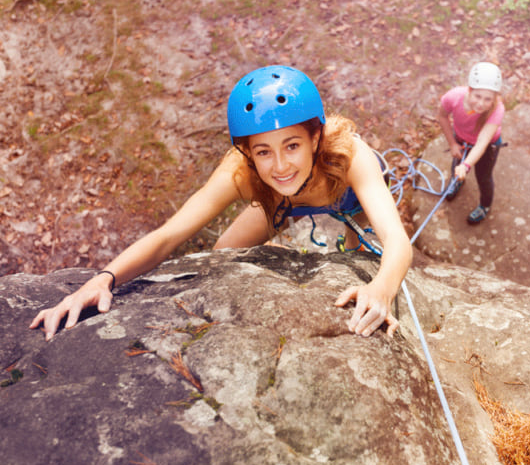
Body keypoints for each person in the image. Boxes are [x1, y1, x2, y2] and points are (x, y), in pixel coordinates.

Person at [30, 65, 412, 341]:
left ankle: (349, 241)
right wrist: (101, 280)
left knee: (361, 252)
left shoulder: (349, 155)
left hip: (343, 196)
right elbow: (169, 236)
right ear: (246, 152)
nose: (280, 165)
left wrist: (381, 288)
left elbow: (398, 244)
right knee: (221, 255)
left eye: (292, 145)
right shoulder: (242, 172)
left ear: (315, 138)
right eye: (263, 151)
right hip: (282, 203)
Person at [436, 62, 505, 224]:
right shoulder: (453, 97)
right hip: (460, 139)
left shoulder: (497, 109)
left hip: (488, 146)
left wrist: (466, 165)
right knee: (456, 165)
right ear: (469, 90)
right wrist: (452, 143)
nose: (481, 103)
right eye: (477, 96)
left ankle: (485, 206)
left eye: (488, 99)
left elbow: (482, 142)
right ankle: (457, 182)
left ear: (495, 98)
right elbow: (442, 116)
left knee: (484, 177)